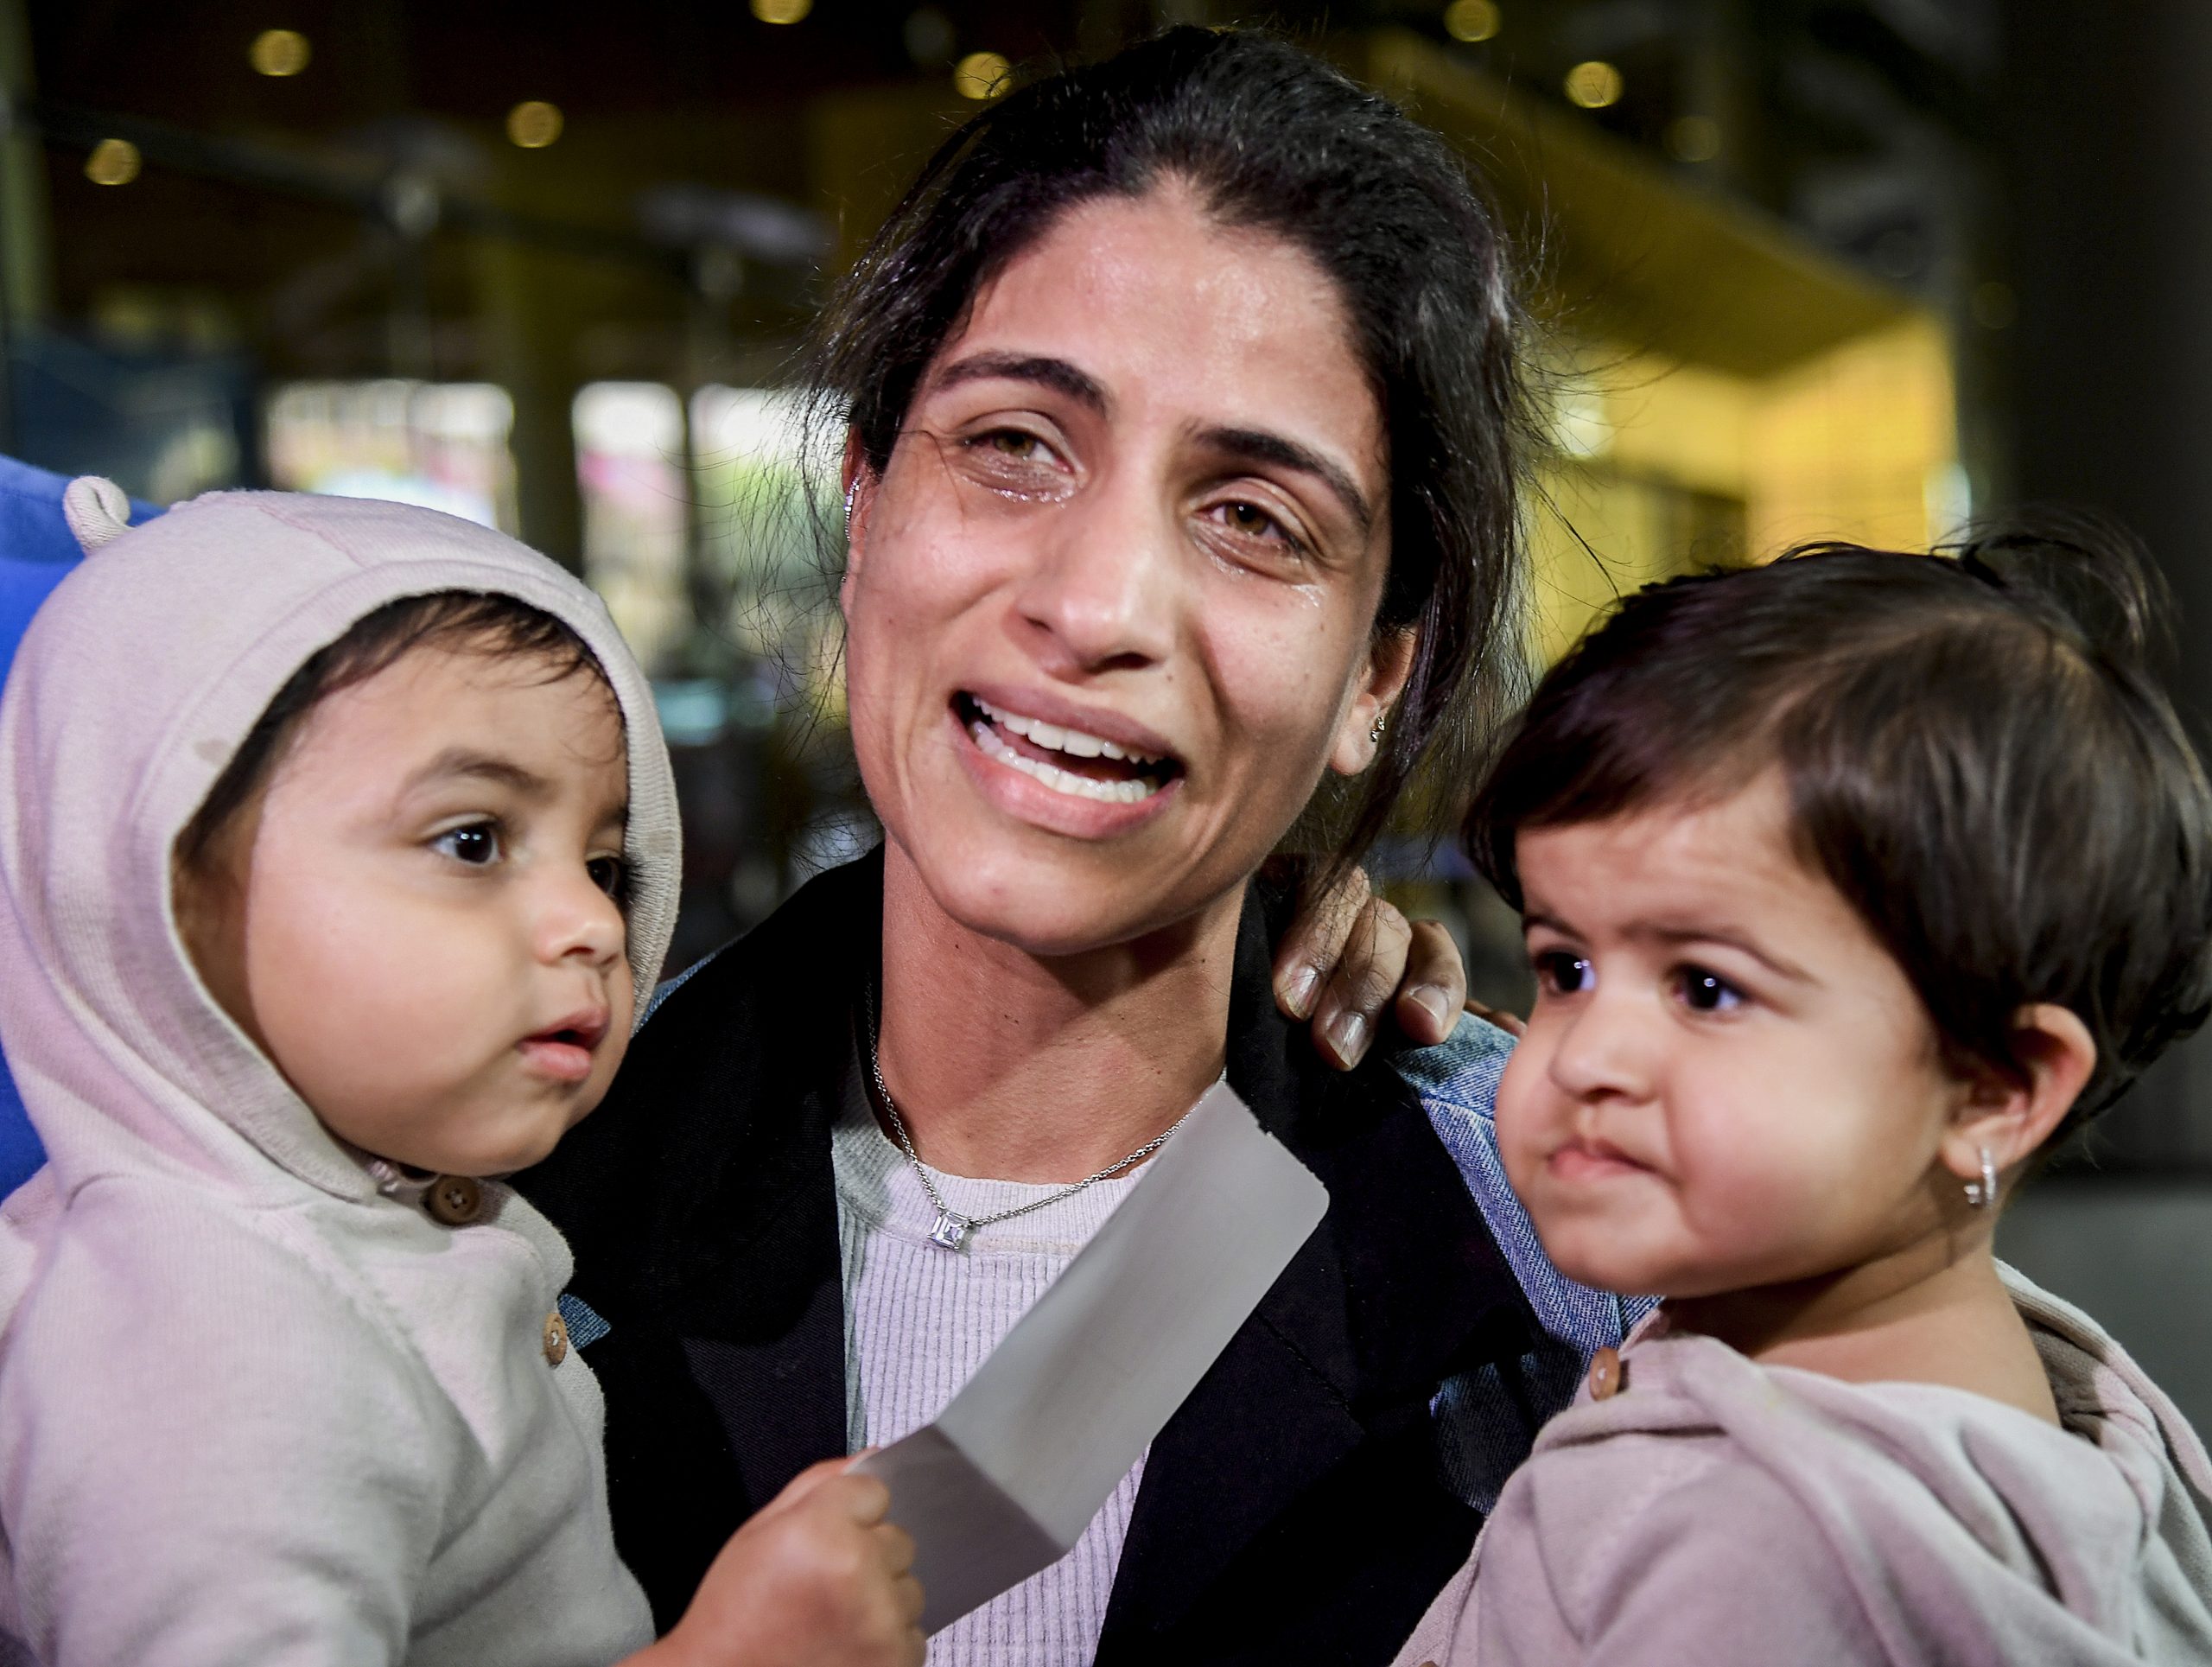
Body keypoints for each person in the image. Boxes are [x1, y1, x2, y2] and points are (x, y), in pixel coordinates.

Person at [523, 28, 1634, 1667]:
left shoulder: (1568, 1254)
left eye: (1254, 517)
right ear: (865, 501)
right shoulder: (498, 1205)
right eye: (1014, 445)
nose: (1098, 603)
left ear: (1376, 676)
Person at [0, 482, 924, 1666]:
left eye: (603, 864)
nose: (592, 922)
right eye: (472, 840)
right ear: (156, 883)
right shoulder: (210, 1334)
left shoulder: (358, 1226)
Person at [1395, 529, 2212, 1665]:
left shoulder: (1749, 1557)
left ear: (1994, 1087)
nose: (1583, 1057)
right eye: (1567, 967)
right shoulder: (2050, 1399)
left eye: (1707, 987)